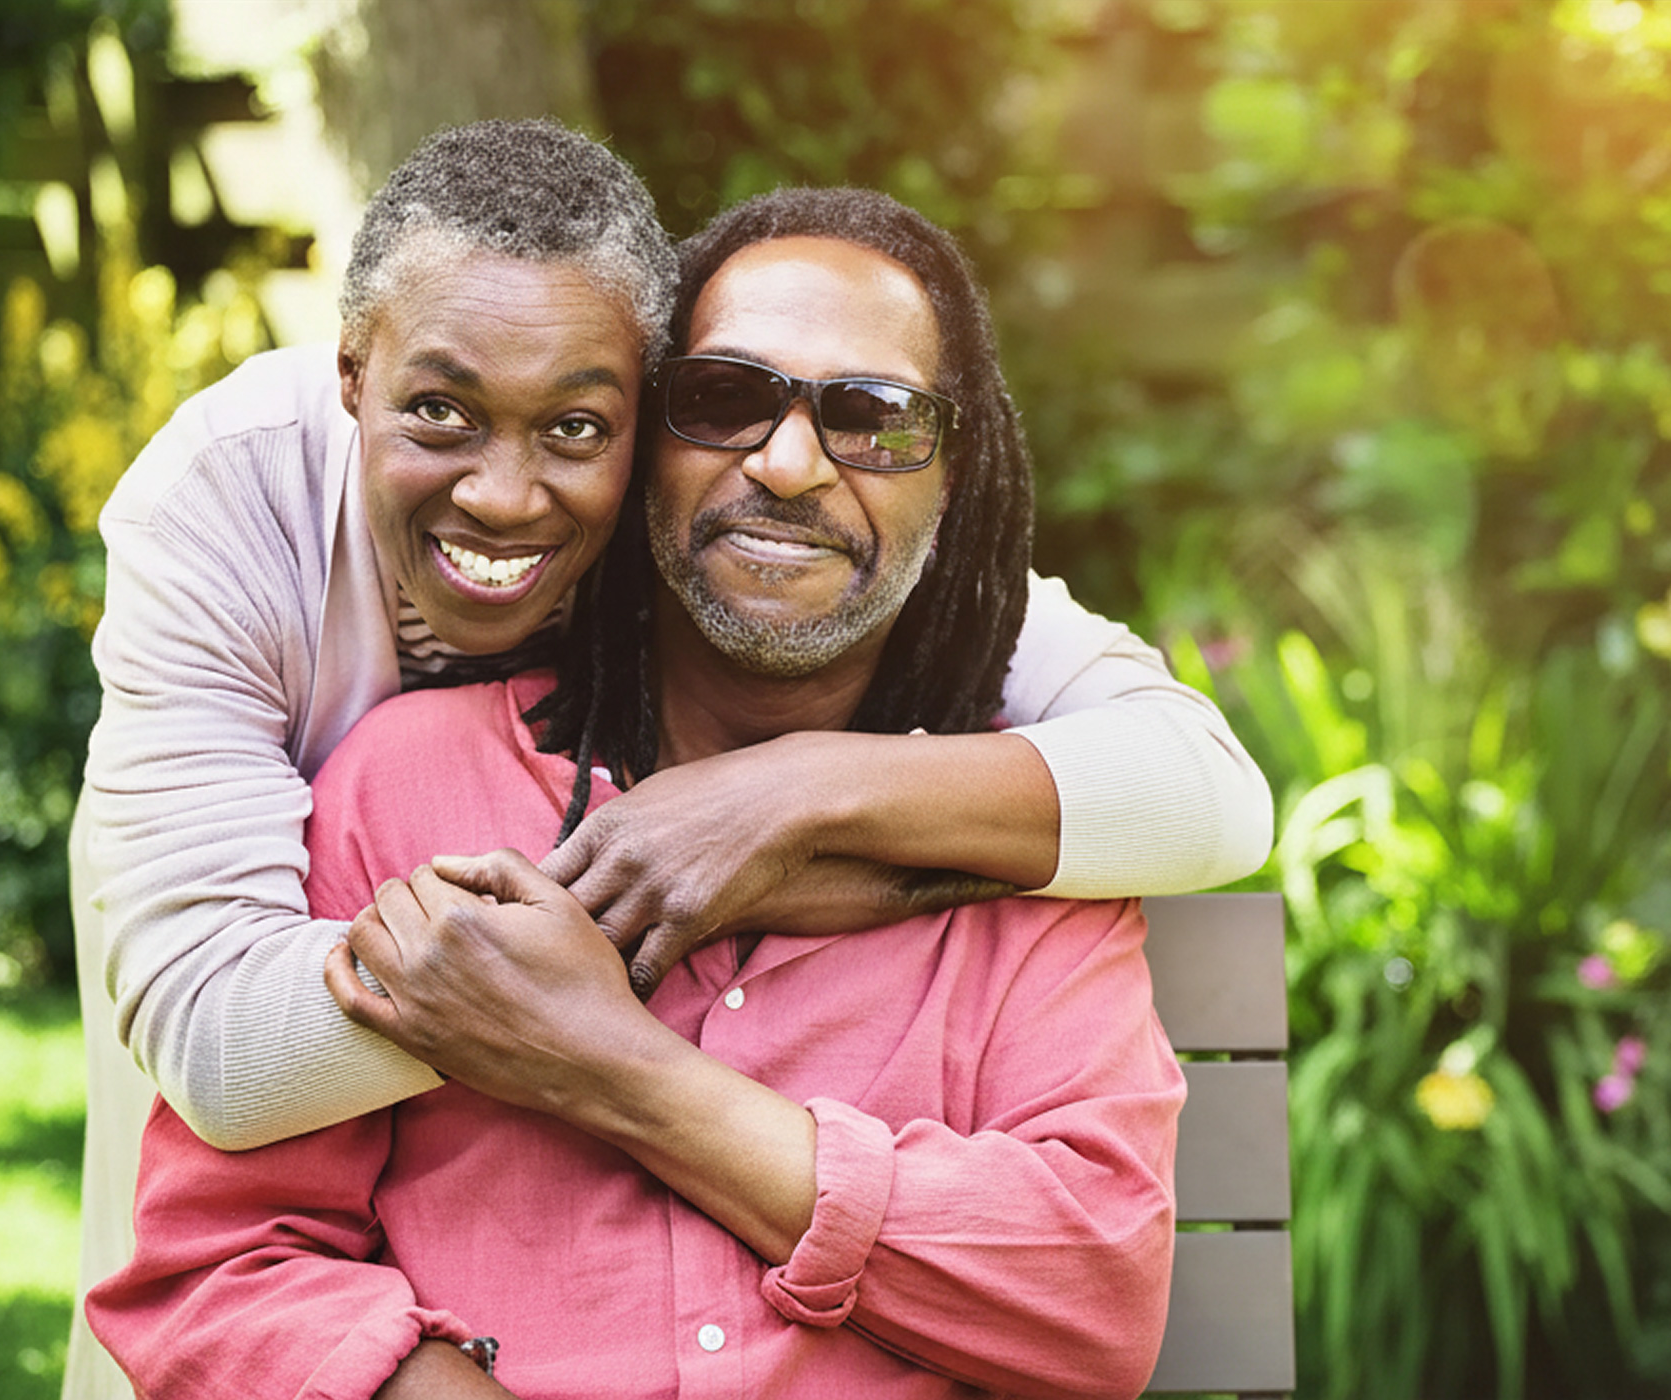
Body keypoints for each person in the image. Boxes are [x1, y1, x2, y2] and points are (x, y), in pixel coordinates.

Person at [64, 121, 1263, 1399]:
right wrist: (594, 923)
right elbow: (226, 1239)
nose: (790, 462)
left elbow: (1089, 1296)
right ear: (651, 432)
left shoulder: (1015, 838)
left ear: (957, 477)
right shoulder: (373, 745)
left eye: (876, 418)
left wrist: (771, 832)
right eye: (727, 398)